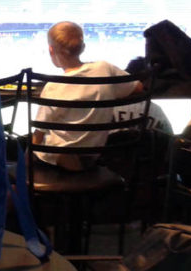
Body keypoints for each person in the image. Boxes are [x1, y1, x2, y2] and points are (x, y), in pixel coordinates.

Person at [33, 21, 142, 170]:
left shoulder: (53, 87)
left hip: (55, 162)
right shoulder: (105, 69)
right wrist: (107, 94)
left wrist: (25, 164)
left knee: (19, 144)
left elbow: (38, 136)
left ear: (51, 50)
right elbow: (138, 88)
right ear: (83, 47)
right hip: (94, 156)